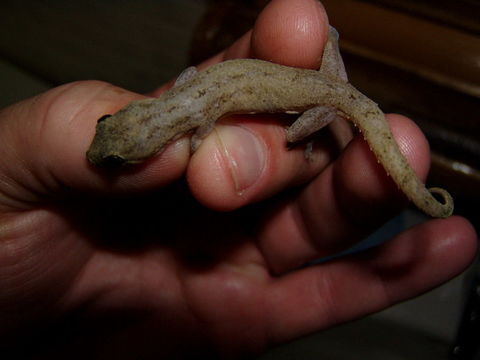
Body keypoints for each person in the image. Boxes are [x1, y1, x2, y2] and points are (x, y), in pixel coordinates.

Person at [0, 0, 476, 358]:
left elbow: (202, 116)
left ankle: (402, 185)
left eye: (117, 149)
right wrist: (328, 45)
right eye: (116, 143)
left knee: (296, 131)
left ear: (139, 120)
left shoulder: (192, 122)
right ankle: (330, 83)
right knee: (320, 67)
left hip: (329, 102)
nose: (103, 147)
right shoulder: (189, 100)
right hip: (331, 83)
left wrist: (292, 135)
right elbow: (191, 78)